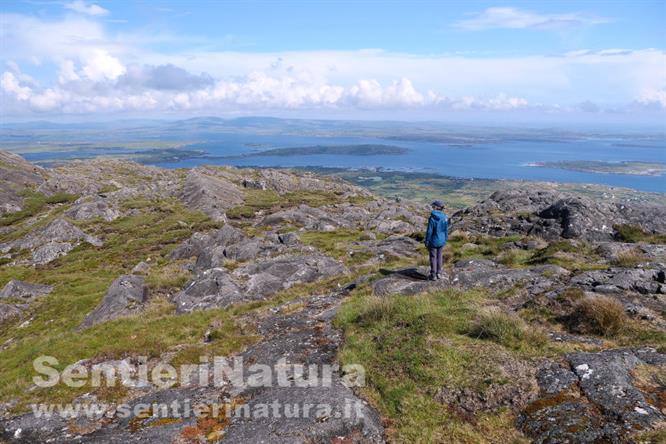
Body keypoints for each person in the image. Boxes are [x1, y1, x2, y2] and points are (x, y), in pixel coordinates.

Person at [425, 200, 448, 280]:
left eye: (433, 206)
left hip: (433, 241)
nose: (432, 207)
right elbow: (446, 230)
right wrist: (445, 238)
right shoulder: (445, 217)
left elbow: (429, 231)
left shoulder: (432, 218)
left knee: (433, 257)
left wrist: (427, 241)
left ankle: (433, 275)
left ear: (436, 207)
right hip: (442, 240)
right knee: (439, 256)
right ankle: (439, 273)